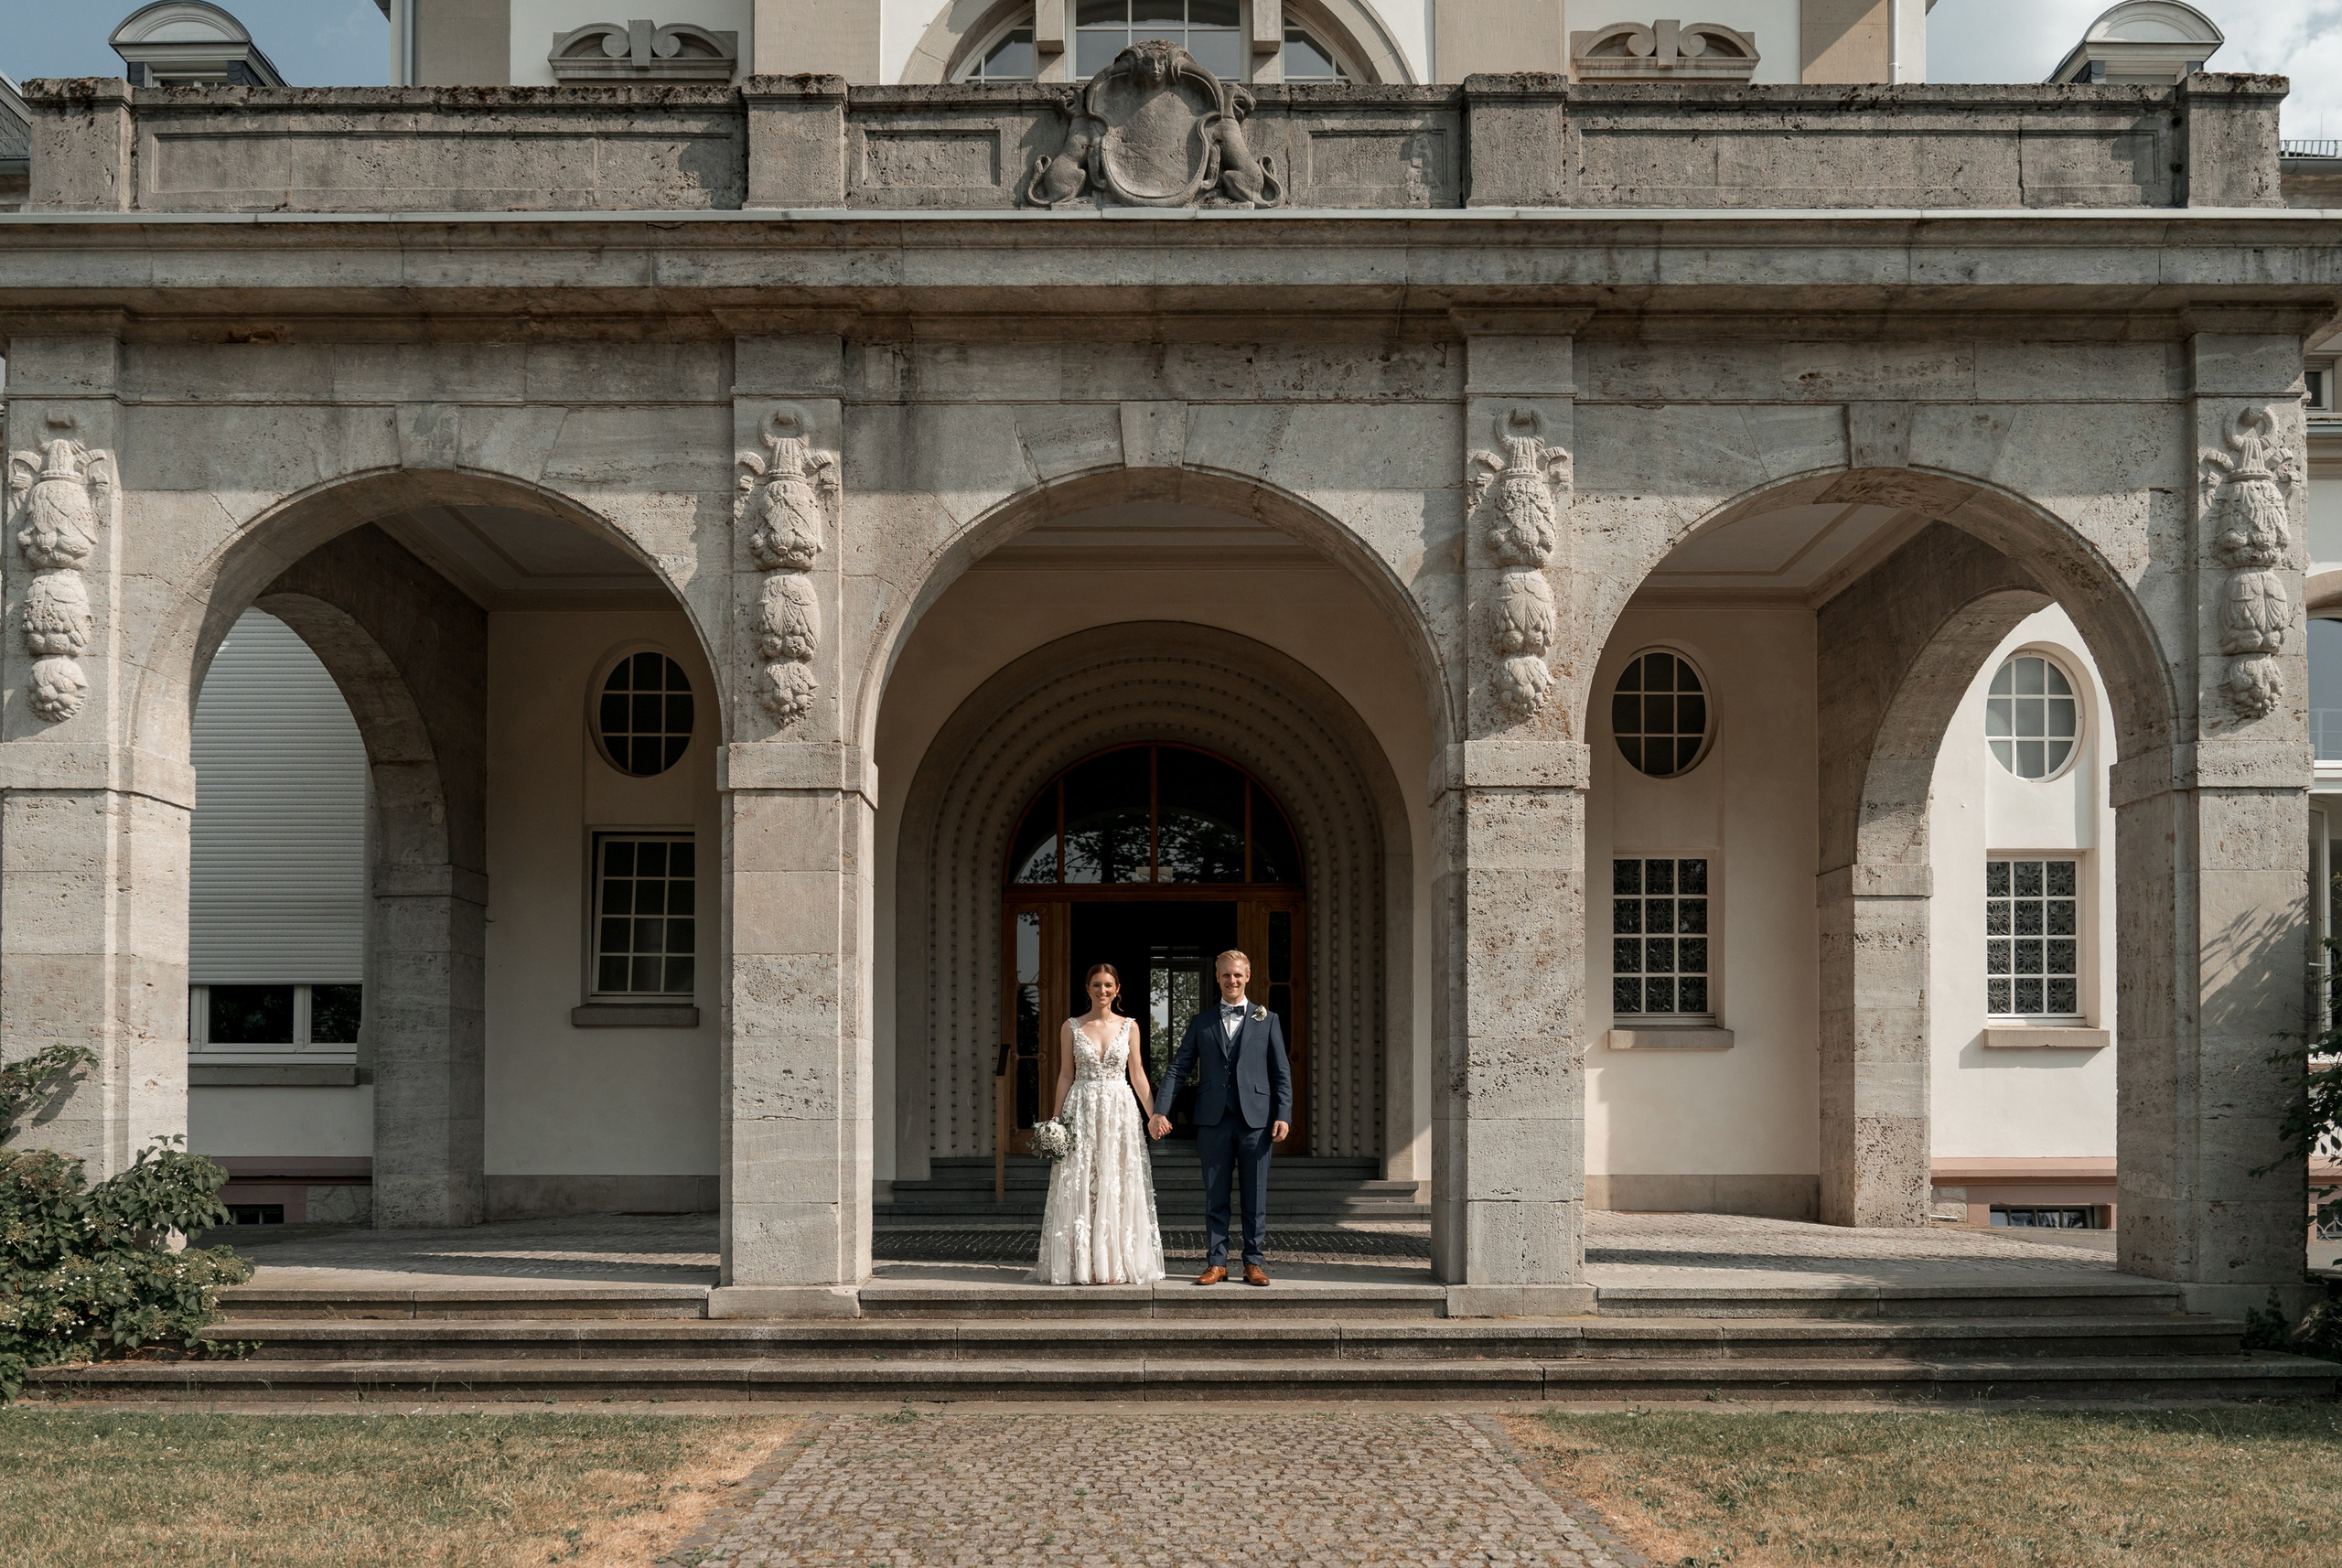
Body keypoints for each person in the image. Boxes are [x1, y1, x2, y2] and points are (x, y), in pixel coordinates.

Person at [1149, 949, 1292, 1285]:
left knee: (1255, 1196)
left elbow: (1281, 1072)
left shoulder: (1268, 1019)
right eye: (1226, 974)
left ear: (1248, 976)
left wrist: (1283, 1114)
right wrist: (1160, 1110)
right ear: (1217, 977)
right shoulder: (1202, 1022)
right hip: (1213, 1119)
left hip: (1256, 1120)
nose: (1232, 980)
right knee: (1215, 1196)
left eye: (1238, 974)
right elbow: (1178, 1067)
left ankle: (1253, 1262)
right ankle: (1217, 1262)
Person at [1031, 961, 1166, 1285]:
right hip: (1082, 1109)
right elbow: (1066, 1075)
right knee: (1082, 1181)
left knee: (1116, 1181)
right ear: (1087, 989)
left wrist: (1154, 1115)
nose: (1102, 990)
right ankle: (1083, 1265)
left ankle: (1114, 1263)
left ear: (1117, 990)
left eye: (1108, 985)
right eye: (1096, 985)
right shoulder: (1071, 1027)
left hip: (1119, 1111)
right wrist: (1056, 1122)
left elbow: (1137, 1074)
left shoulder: (1130, 1027)